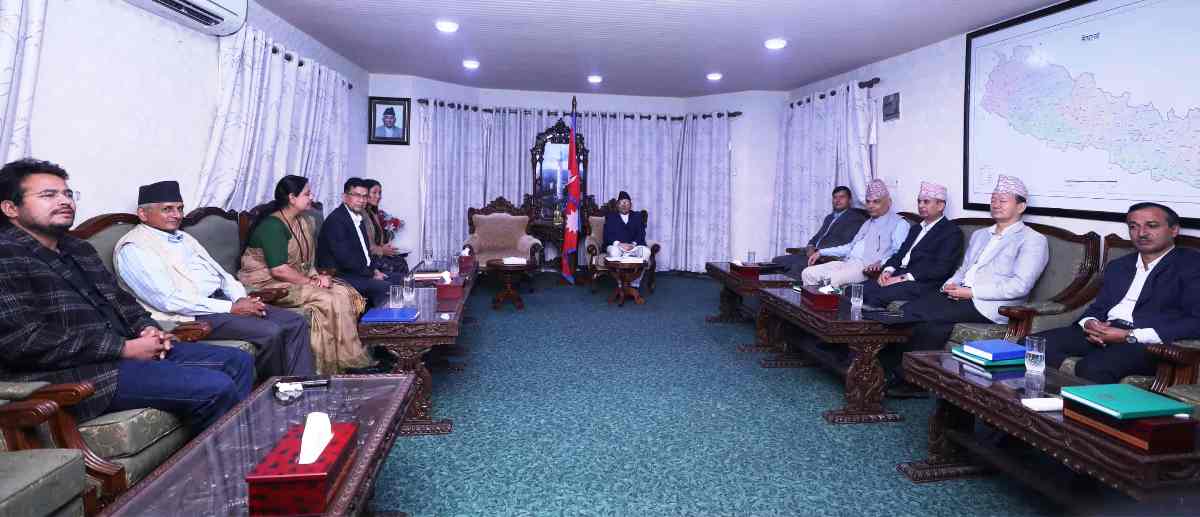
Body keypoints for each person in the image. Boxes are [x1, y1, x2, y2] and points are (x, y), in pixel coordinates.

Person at [0, 158, 252, 434]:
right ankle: (217, 459)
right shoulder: (6, 255)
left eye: (67, 194)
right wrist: (123, 348)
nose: (64, 201)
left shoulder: (77, 248)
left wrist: (147, 328)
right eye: (48, 195)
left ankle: (242, 451)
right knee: (215, 387)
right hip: (71, 374)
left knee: (238, 361)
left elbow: (121, 300)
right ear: (10, 208)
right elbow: (24, 340)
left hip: (122, 354)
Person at [114, 180, 315, 379]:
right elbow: (168, 300)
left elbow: (223, 275)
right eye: (167, 209)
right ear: (143, 214)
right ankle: (273, 391)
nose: (177, 215)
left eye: (180, 208)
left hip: (222, 302)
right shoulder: (134, 248)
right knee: (270, 331)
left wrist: (239, 298)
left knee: (294, 322)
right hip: (191, 315)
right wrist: (231, 308)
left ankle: (304, 387)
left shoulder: (183, 237)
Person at [877, 174, 1049, 398]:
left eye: (1003, 200)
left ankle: (893, 372)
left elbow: (1020, 286)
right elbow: (964, 269)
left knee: (918, 313)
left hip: (988, 304)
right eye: (993, 199)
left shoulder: (1032, 240)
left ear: (1021, 206)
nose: (996, 204)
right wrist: (949, 285)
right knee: (920, 317)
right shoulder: (980, 235)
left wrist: (971, 292)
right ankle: (902, 375)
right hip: (959, 295)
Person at [1035, 203, 1200, 384]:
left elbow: (1195, 321)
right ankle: (1047, 395)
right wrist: (1090, 322)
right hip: (1105, 330)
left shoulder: (1192, 266)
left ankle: (1076, 402)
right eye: (1133, 227)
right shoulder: (1119, 266)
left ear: (1174, 230)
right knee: (1034, 344)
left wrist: (1129, 335)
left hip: (1148, 342)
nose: (1141, 233)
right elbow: (1099, 307)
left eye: (1152, 226)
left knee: (1093, 367)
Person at [240, 175, 373, 374]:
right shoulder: (272, 226)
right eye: (307, 194)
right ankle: (326, 368)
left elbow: (307, 262)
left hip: (295, 278)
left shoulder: (304, 221)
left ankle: (348, 360)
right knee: (328, 299)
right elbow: (279, 270)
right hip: (267, 285)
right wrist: (312, 281)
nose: (312, 197)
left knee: (345, 293)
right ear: (292, 198)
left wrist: (318, 277)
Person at [862, 181, 963, 307]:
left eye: (926, 202)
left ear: (940, 205)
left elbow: (941, 269)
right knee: (854, 290)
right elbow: (899, 254)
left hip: (921, 283)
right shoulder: (916, 228)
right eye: (919, 201)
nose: (920, 205)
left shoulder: (951, 232)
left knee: (875, 297)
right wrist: (887, 270)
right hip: (898, 274)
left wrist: (903, 278)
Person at [801, 179, 909, 288]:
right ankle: (814, 298)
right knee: (808, 273)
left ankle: (824, 298)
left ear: (889, 202)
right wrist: (821, 252)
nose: (870, 206)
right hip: (847, 262)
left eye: (876, 202)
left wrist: (882, 263)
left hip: (865, 268)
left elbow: (900, 253)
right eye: (868, 201)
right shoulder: (868, 222)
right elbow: (850, 247)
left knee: (831, 280)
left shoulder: (899, 223)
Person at [317, 178, 404, 307]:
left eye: (364, 196)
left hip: (358, 272)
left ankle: (402, 318)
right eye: (357, 195)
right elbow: (345, 259)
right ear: (344, 197)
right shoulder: (336, 221)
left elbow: (365, 252)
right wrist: (370, 274)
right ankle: (377, 320)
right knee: (385, 287)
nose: (361, 200)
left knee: (401, 280)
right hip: (340, 276)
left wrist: (374, 270)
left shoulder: (358, 217)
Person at [770, 186, 866, 278]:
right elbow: (817, 237)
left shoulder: (855, 218)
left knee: (795, 267)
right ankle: (781, 288)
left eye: (842, 197)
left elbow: (844, 242)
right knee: (777, 261)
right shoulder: (829, 217)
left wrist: (820, 252)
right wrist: (810, 246)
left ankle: (795, 289)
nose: (838, 200)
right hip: (812, 254)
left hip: (826, 258)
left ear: (849, 200)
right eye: (835, 197)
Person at [603, 191, 651, 287]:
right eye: (622, 203)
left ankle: (635, 283)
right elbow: (606, 235)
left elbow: (641, 233)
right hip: (617, 247)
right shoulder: (610, 217)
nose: (624, 205)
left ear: (631, 205)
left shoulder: (637, 216)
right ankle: (620, 283)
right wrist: (619, 244)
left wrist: (633, 244)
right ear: (617, 205)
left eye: (627, 203)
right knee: (614, 252)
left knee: (646, 252)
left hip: (634, 247)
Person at [361, 179, 409, 276]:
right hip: (366, 259)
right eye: (374, 193)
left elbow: (377, 240)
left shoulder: (372, 213)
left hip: (375, 255)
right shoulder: (361, 214)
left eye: (379, 193)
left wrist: (385, 248)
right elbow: (363, 245)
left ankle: (406, 285)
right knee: (399, 265)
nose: (378, 196)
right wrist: (382, 250)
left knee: (400, 261)